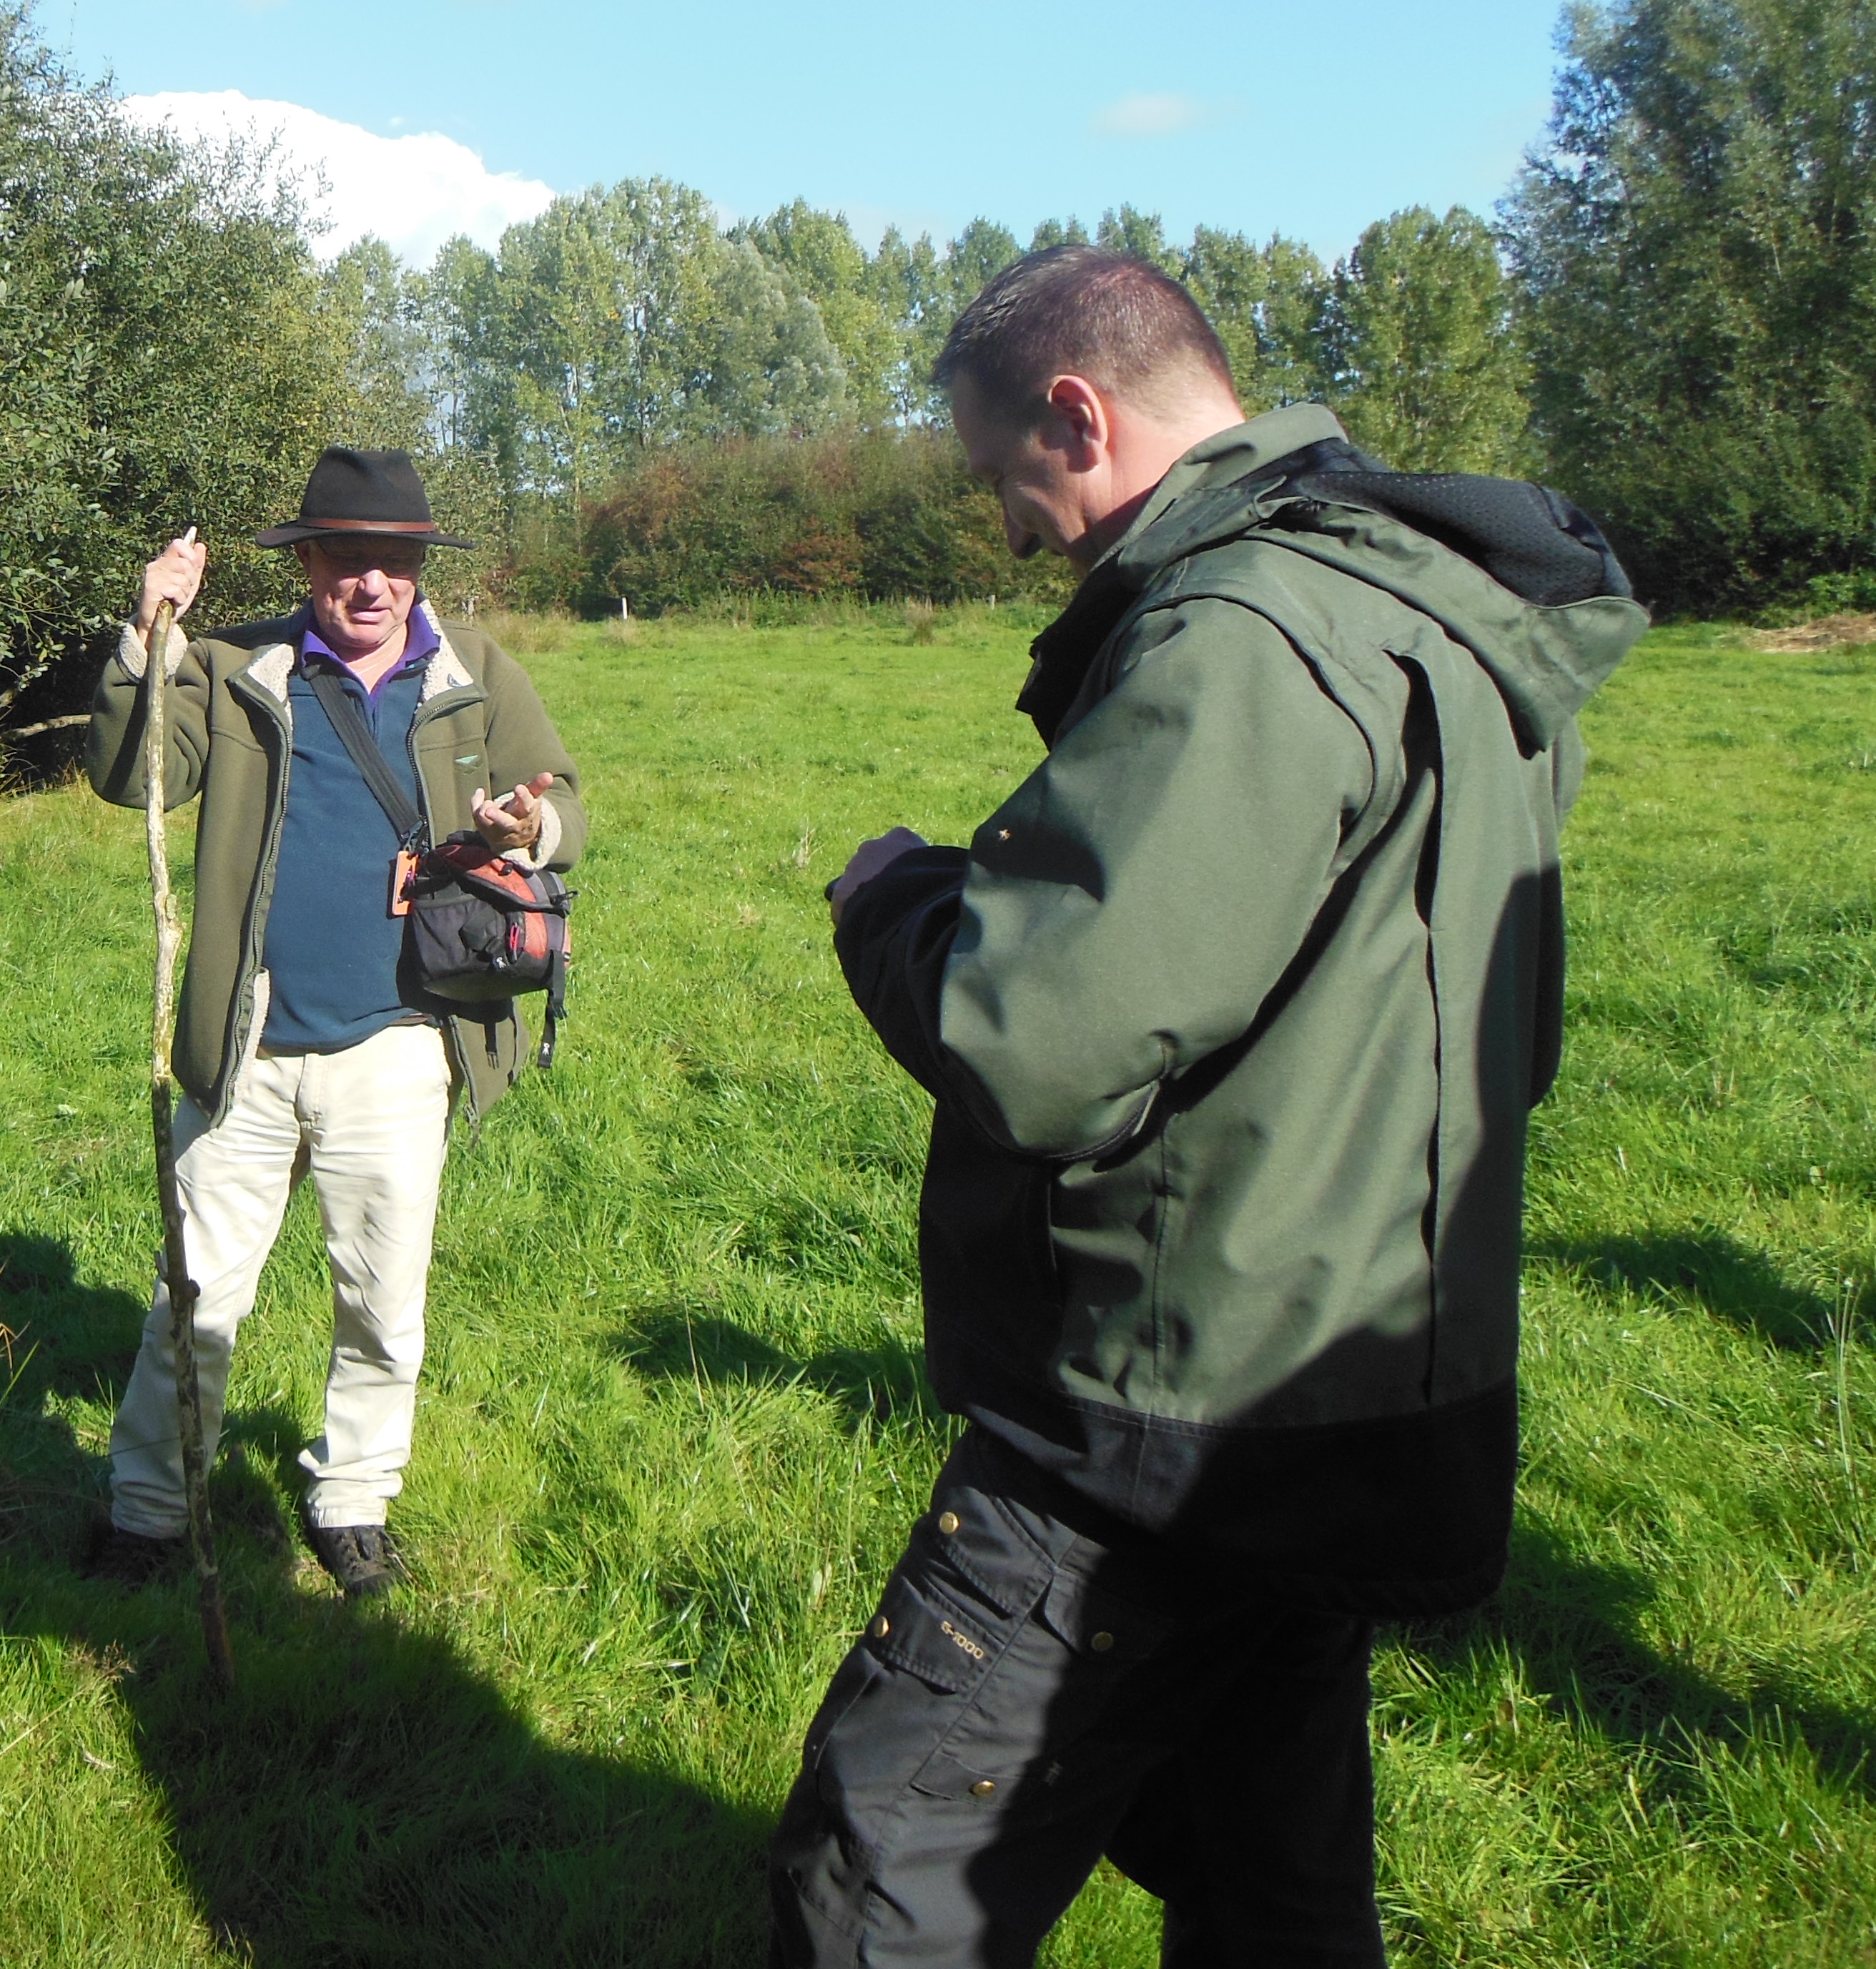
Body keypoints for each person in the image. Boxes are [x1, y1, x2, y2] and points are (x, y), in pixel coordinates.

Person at [772, 245, 1645, 1965]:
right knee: (1273, 1888)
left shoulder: (1239, 626)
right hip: (1364, 1379)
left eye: (1002, 481)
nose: (1015, 534)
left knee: (880, 1882)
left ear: (1077, 415)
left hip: (1164, 1414)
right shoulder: (1436, 609)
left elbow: (1037, 1034)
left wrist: (894, 903)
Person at [81, 445, 583, 1599]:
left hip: (401, 1043)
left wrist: (527, 832)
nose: (372, 584)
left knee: (382, 1302)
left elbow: (570, 807)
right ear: (307, 561)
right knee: (193, 1300)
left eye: (395, 562)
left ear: (420, 568)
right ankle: (151, 1511)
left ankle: (353, 1498)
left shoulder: (478, 673)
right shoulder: (238, 661)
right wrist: (149, 637)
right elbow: (134, 775)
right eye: (347, 559)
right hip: (246, 1045)